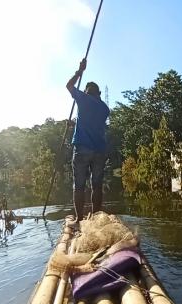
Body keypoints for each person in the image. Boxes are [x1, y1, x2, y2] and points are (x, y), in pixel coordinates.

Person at [66, 58, 110, 220]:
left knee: (79, 186)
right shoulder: (105, 108)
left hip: (83, 148)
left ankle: (79, 219)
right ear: (98, 94)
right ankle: (96, 217)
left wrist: (80, 71)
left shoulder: (83, 99)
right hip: (99, 150)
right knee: (96, 186)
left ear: (86, 92)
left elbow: (69, 86)